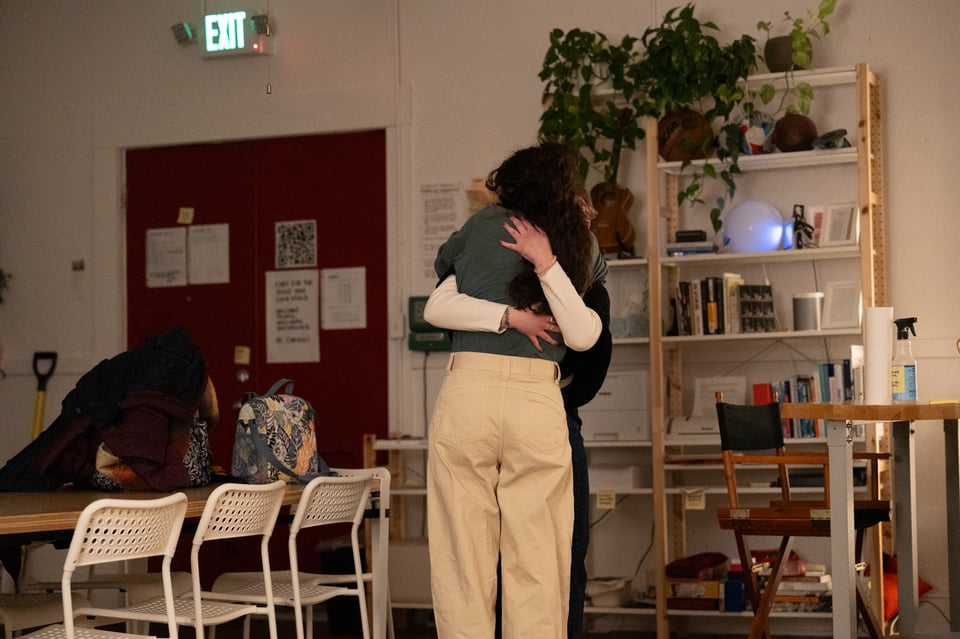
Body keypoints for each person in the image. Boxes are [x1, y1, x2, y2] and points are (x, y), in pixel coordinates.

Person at [424, 141, 604, 639]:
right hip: (535, 400)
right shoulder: (577, 240)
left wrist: (503, 315)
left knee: (462, 556)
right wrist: (547, 265)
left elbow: (438, 299)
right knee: (539, 557)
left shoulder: (481, 227)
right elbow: (585, 335)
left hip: (468, 391)